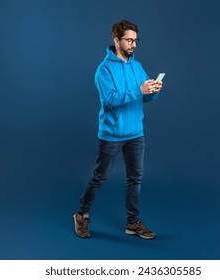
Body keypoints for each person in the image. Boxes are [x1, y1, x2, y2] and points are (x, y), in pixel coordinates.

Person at [73, 19, 163, 240]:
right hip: (112, 134)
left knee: (135, 179)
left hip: (135, 133)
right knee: (100, 177)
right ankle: (81, 214)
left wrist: (154, 90)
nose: (133, 44)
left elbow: (146, 98)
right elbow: (111, 100)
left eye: (135, 40)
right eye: (129, 40)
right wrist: (138, 89)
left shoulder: (137, 66)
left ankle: (132, 223)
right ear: (116, 40)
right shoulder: (104, 70)